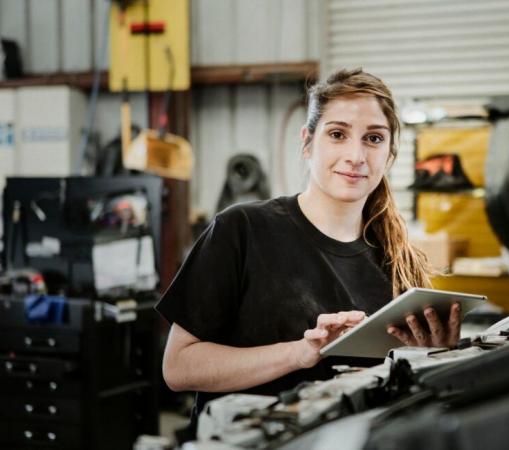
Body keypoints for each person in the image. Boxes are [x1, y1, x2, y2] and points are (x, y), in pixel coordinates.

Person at [156, 68, 463, 426]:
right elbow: (178, 368)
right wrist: (301, 353)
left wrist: (433, 357)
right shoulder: (242, 230)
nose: (356, 155)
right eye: (337, 134)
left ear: (390, 153)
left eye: (374, 139)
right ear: (307, 141)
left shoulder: (397, 260)